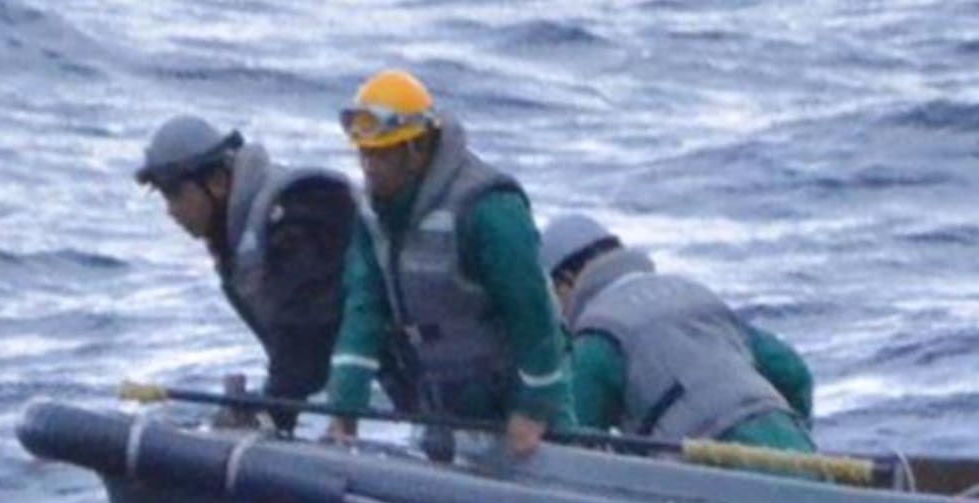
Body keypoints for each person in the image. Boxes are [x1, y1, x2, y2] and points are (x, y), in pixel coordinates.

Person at [324, 70, 574, 457]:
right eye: (364, 154)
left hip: (517, 405)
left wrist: (533, 408)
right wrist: (345, 405)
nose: (369, 167)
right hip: (443, 408)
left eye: (382, 154)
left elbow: (532, 311)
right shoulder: (371, 217)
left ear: (416, 150)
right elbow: (364, 308)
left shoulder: (488, 208)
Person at [135, 115, 359, 433]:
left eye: (175, 194)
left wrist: (271, 411)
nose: (171, 211)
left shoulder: (302, 209)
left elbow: (306, 332)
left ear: (216, 181)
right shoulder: (238, 241)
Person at [539, 213, 815, 451]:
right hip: (791, 440)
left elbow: (572, 436)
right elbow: (792, 372)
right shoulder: (697, 296)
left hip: (712, 462)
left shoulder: (600, 331)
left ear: (564, 283)